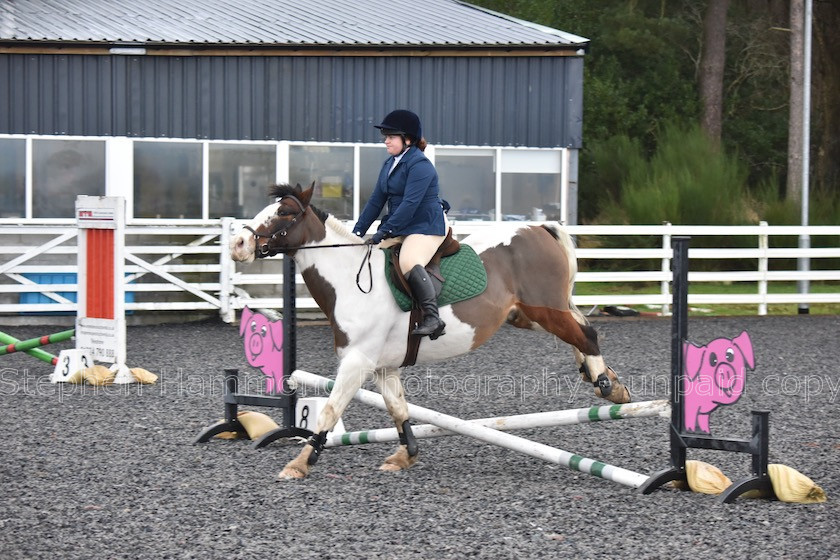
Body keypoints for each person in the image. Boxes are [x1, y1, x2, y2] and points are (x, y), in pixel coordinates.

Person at [353, 109, 450, 339]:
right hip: (402, 225)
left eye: (391, 136)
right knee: (369, 256)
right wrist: (358, 232)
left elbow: (410, 204)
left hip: (426, 225)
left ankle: (432, 317)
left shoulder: (421, 166)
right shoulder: (390, 164)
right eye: (385, 136)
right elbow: (377, 200)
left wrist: (384, 230)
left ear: (408, 139)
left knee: (408, 260)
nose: (386, 141)